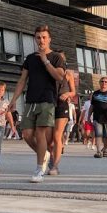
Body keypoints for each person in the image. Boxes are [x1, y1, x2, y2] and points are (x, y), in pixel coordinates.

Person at [9, 25, 67, 183]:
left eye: (43, 37)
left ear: (49, 39)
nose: (40, 40)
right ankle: (45, 155)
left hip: (47, 101)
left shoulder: (56, 57)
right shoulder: (29, 58)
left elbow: (59, 77)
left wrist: (45, 60)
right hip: (30, 101)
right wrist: (13, 100)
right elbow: (22, 81)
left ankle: (39, 169)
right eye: (38, 37)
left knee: (41, 134)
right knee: (27, 134)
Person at [49, 63, 76, 174]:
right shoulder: (49, 71)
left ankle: (55, 166)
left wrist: (67, 94)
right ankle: (51, 159)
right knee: (48, 139)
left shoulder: (68, 74)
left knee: (57, 135)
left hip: (62, 104)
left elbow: (73, 91)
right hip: (49, 103)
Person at [89, 76, 107, 158]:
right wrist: (88, 116)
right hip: (97, 118)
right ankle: (98, 151)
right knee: (98, 134)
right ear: (99, 83)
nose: (104, 83)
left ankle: (105, 149)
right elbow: (92, 106)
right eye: (102, 81)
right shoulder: (95, 93)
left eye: (105, 82)